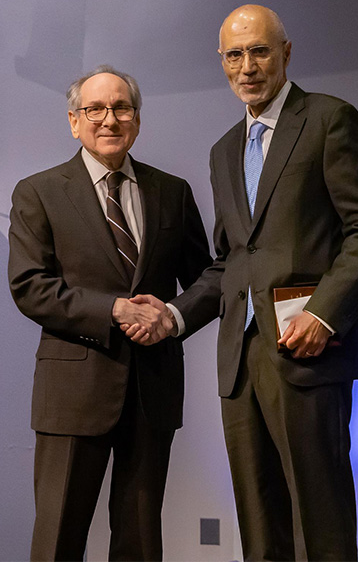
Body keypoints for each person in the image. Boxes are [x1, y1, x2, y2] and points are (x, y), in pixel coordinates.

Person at [124, 6, 358, 561]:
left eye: (259, 51)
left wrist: (322, 314)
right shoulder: (224, 150)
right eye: (234, 54)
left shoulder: (329, 119)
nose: (247, 67)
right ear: (221, 61)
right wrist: (174, 315)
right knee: (259, 522)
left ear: (286, 53)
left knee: (321, 521)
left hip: (308, 351)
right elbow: (232, 261)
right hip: (240, 361)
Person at [8, 65, 213, 562]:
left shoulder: (173, 191)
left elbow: (212, 278)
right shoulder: (38, 192)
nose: (109, 119)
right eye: (95, 109)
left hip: (152, 392)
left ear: (137, 120)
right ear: (73, 121)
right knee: (58, 540)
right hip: (72, 395)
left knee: (140, 543)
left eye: (122, 107)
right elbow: (30, 286)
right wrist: (114, 309)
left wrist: (171, 316)